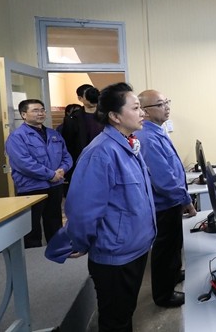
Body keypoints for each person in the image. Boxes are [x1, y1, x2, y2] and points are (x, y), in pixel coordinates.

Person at [64, 82, 157, 332]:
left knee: (125, 313)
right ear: (115, 116)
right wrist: (80, 241)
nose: (142, 113)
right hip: (115, 256)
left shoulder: (128, 145)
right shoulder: (101, 153)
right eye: (135, 108)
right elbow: (83, 209)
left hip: (134, 248)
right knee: (115, 319)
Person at [135, 90, 196, 308]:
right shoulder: (148, 138)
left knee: (173, 246)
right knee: (165, 250)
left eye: (167, 102)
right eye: (160, 104)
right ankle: (164, 295)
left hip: (171, 201)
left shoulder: (157, 131)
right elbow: (163, 180)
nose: (167, 107)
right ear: (145, 111)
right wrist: (186, 200)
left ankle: (173, 274)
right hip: (164, 205)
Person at [5, 99, 73, 248]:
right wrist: (50, 175)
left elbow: (66, 156)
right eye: (35, 110)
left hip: (55, 185)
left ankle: (56, 249)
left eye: (42, 110)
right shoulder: (17, 137)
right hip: (32, 187)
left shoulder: (53, 134)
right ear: (24, 114)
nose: (40, 113)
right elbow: (23, 163)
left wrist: (62, 170)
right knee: (32, 225)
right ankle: (32, 254)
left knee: (54, 220)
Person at [61, 85, 104, 177]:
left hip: (105, 158)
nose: (92, 97)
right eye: (88, 95)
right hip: (82, 161)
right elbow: (68, 144)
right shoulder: (72, 119)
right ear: (80, 98)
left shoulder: (109, 115)